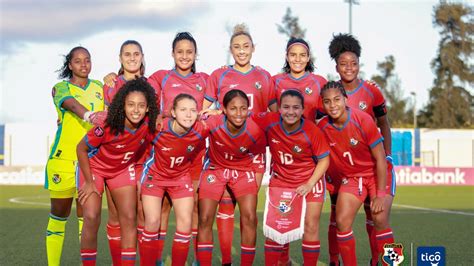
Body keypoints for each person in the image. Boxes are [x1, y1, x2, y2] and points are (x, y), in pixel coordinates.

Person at [203, 24, 277, 265]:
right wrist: (217, 113)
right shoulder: (220, 75)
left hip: (254, 152)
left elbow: (274, 117)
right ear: (230, 49)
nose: (242, 51)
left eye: (246, 46)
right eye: (237, 47)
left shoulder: (265, 76)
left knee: (247, 209)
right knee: (225, 206)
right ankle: (226, 261)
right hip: (224, 149)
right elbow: (205, 111)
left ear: (253, 48)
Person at [328, 34, 396, 266]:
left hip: (376, 166)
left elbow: (384, 124)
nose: (349, 68)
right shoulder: (329, 96)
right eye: (343, 64)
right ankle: (338, 259)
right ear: (336, 67)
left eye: (354, 63)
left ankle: (384, 261)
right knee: (340, 219)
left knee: (378, 217)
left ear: (359, 64)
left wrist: (387, 154)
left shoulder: (371, 91)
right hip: (350, 171)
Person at [76, 78, 159, 266]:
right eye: (131, 105)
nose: (135, 110)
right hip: (94, 167)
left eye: (141, 105)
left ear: (147, 108)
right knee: (91, 216)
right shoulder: (107, 123)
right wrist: (89, 182)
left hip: (121, 169)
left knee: (129, 218)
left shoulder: (149, 125)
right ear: (122, 106)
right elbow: (81, 149)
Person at [318, 81, 395, 266]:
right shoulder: (322, 127)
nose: (333, 105)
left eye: (337, 99)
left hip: (378, 173)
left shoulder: (363, 120)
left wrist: (380, 195)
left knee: (380, 218)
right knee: (342, 221)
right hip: (353, 178)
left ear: (346, 99)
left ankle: (392, 263)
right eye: (327, 101)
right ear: (323, 104)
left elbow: (380, 159)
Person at [147, 32, 208, 262]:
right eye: (180, 51)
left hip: (195, 154)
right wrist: (115, 74)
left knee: (192, 209)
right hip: (166, 152)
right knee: (163, 208)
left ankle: (194, 259)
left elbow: (223, 100)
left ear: (195, 54)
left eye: (189, 52)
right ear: (172, 54)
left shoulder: (204, 79)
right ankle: (158, 259)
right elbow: (137, 89)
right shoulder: (161, 77)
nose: (184, 56)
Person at [252, 90, 329, 266]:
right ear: (279, 108)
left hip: (309, 181)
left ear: (302, 110)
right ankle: (282, 262)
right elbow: (243, 116)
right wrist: (219, 111)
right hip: (282, 181)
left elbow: (324, 160)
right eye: (286, 107)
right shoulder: (270, 121)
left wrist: (309, 184)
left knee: (310, 225)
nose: (290, 111)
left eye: (296, 107)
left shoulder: (312, 131)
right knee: (275, 228)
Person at [44, 46, 104, 266]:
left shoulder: (100, 87)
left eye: (87, 60)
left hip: (90, 162)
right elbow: (71, 104)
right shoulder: (60, 88)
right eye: (78, 61)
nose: (83, 65)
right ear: (70, 64)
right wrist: (90, 115)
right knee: (59, 216)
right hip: (62, 159)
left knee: (86, 218)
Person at [197, 90, 265, 266]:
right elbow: (192, 128)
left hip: (243, 171)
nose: (239, 113)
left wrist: (254, 187)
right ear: (224, 110)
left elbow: (259, 159)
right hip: (215, 169)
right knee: (204, 218)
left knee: (249, 217)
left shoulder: (255, 130)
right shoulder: (213, 122)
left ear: (248, 109)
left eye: (243, 108)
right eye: (233, 108)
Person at [140, 94, 209, 266]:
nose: (188, 115)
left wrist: (216, 112)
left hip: (180, 177)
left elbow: (224, 119)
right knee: (153, 222)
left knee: (185, 223)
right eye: (183, 110)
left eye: (193, 110)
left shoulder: (201, 128)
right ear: (173, 112)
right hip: (154, 177)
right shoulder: (158, 127)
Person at [273, 37, 327, 122]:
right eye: (293, 55)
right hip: (282, 134)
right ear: (287, 57)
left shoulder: (319, 82)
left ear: (308, 57)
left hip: (309, 134)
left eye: (302, 55)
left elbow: (325, 115)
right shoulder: (275, 81)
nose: (298, 59)